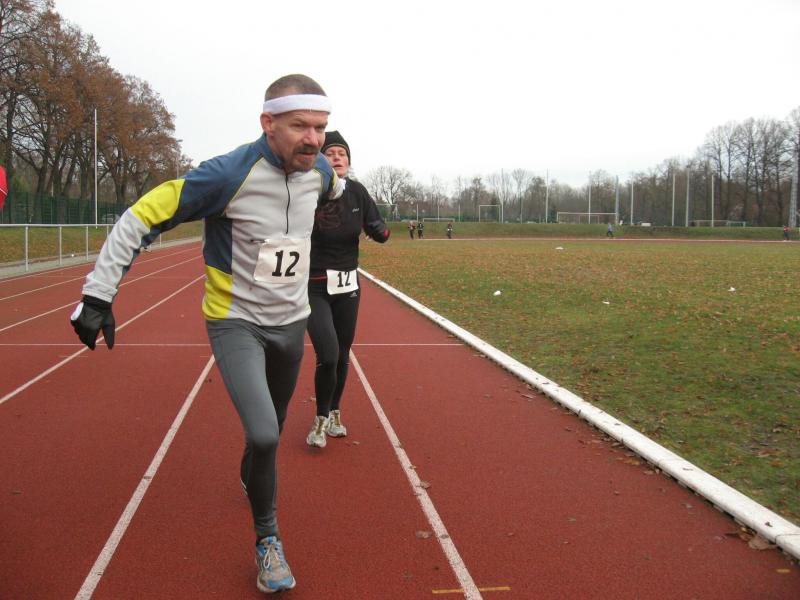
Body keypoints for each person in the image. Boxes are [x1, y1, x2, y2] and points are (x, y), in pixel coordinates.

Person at [69, 74, 343, 595]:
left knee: (273, 427)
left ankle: (252, 465)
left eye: (320, 127)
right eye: (300, 126)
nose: (313, 139)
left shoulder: (321, 172)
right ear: (268, 123)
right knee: (266, 435)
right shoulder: (228, 174)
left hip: (292, 322)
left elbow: (334, 188)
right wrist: (99, 294)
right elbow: (141, 215)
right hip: (236, 320)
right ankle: (268, 541)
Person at [305, 131, 390, 448]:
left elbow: (378, 228)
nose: (337, 157)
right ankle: (319, 418)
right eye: (330, 153)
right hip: (314, 286)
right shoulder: (308, 190)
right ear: (319, 161)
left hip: (348, 286)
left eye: (342, 153)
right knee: (327, 354)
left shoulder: (357, 192)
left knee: (341, 354)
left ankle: (334, 412)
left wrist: (380, 231)